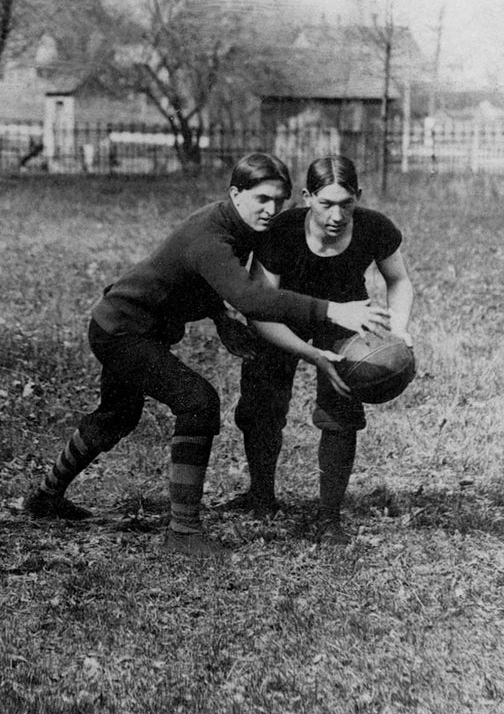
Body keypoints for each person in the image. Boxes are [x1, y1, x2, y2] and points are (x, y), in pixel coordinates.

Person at [23, 152, 388, 559]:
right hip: (121, 329)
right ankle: (183, 532)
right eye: (261, 199)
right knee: (197, 402)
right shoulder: (211, 233)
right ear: (235, 193)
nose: (271, 211)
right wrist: (334, 310)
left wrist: (219, 318)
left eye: (280, 201)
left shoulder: (241, 225)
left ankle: (44, 497)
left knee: (117, 416)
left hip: (134, 326)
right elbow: (250, 296)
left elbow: (201, 279)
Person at [215, 154, 414, 538]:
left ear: (359, 196)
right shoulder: (282, 230)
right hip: (282, 315)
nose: (337, 215)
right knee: (261, 400)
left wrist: (399, 330)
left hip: (349, 316)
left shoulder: (375, 227)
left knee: (342, 402)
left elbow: (399, 281)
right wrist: (309, 354)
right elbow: (259, 308)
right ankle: (260, 497)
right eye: (326, 204)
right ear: (307, 197)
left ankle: (329, 516)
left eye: (346, 203)